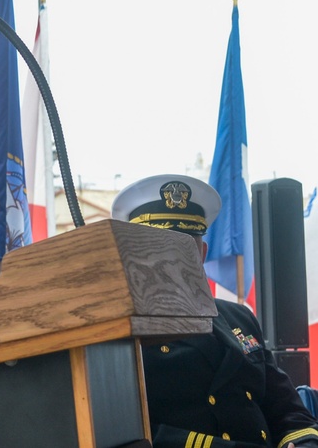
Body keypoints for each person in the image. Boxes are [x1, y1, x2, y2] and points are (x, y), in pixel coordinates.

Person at [112, 174, 318, 448]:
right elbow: (134, 433)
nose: (173, 255)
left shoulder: (239, 317)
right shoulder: (116, 330)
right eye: (159, 242)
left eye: (186, 243)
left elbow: (286, 408)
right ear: (135, 251)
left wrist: (304, 443)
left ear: (202, 252)